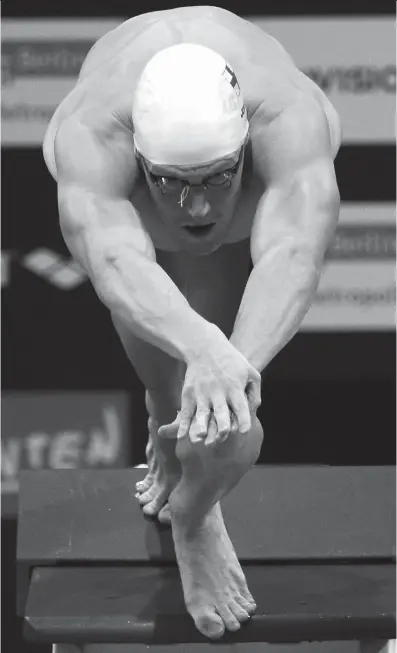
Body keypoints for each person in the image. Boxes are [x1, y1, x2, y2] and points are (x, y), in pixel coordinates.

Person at [43, 6, 342, 640]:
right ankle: (161, 416)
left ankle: (193, 507)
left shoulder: (289, 122)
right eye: (173, 182)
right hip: (128, 204)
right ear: (141, 160)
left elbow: (293, 256)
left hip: (261, 182)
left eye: (214, 178)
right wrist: (198, 351)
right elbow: (117, 261)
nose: (197, 205)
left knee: (222, 393)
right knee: (169, 361)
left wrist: (225, 371)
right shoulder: (90, 139)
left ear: (243, 151)